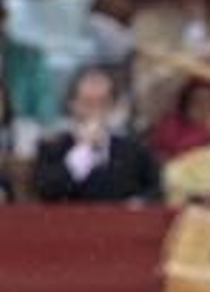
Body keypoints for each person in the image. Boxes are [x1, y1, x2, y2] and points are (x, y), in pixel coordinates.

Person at [35, 65, 163, 203]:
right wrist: (84, 148)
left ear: (113, 106)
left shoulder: (135, 149)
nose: (96, 110)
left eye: (103, 103)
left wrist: (137, 203)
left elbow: (155, 190)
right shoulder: (53, 147)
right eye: (87, 103)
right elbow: (47, 192)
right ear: (73, 105)